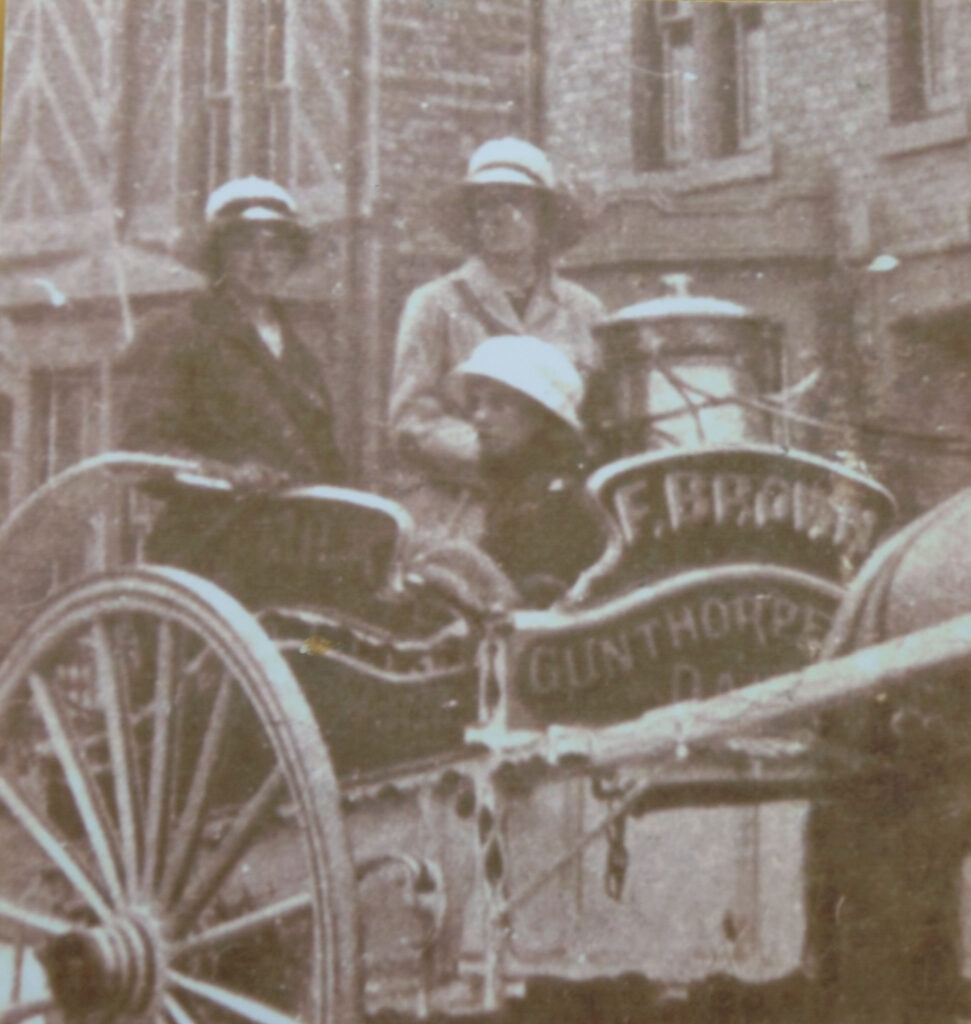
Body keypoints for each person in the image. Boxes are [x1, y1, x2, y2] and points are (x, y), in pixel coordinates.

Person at [113, 176, 344, 568]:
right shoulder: (179, 331)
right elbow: (141, 446)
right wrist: (226, 473)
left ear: (291, 257)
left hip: (296, 542)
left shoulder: (301, 353)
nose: (261, 260)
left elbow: (325, 460)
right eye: (243, 245)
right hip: (213, 542)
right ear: (216, 255)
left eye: (275, 246)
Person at [389, 137, 605, 537]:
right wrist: (497, 458)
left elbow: (597, 416)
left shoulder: (583, 310)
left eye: (513, 202)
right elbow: (410, 422)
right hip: (458, 504)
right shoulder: (435, 304)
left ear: (544, 217)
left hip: (559, 505)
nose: (497, 216)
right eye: (485, 204)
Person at [450, 334, 604, 606]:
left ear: (542, 417)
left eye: (499, 404)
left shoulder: (558, 500)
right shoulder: (512, 488)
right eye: (477, 403)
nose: (480, 417)